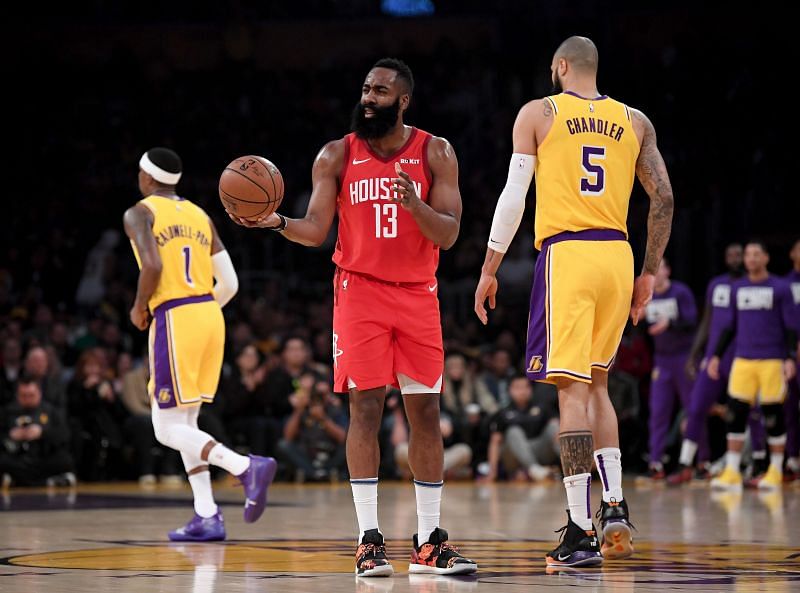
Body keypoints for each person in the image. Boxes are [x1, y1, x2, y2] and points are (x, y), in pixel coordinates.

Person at [232, 59, 476, 576]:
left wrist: (417, 207)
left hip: (417, 293)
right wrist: (273, 221)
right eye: (366, 88)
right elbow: (316, 229)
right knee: (365, 408)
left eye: (381, 91)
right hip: (359, 292)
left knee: (426, 413)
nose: (369, 97)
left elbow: (449, 234)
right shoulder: (336, 154)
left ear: (403, 100)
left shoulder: (436, 152)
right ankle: (368, 540)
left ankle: (429, 541)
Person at [474, 36, 673, 567]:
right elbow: (665, 198)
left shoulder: (539, 112)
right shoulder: (635, 121)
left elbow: (514, 196)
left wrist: (490, 268)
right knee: (599, 382)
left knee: (571, 393)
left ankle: (580, 532)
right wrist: (649, 273)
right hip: (618, 255)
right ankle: (614, 506)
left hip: (568, 253)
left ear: (560, 67)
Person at [124, 147, 276, 542]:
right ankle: (206, 514)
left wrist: (140, 307)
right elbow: (231, 284)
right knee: (186, 422)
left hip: (175, 314)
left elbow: (153, 266)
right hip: (210, 312)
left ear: (145, 176)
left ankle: (244, 467)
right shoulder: (199, 215)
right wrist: (203, 309)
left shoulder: (139, 212)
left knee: (164, 427)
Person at [708, 241, 797, 490]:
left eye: (757, 254)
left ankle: (776, 470)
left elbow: (791, 326)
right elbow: (730, 326)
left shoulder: (781, 288)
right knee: (735, 414)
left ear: (766, 258)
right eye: (748, 255)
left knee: (772, 415)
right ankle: (732, 471)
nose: (751, 259)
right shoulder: (738, 289)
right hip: (743, 359)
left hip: (771, 359)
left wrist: (790, 357)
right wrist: (716, 355)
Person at [668, 243, 743, 484]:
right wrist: (695, 353)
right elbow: (707, 321)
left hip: (742, 355)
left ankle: (754, 465)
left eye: (739, 254)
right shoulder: (716, 284)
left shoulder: (750, 288)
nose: (735, 258)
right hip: (713, 357)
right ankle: (685, 464)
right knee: (696, 407)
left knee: (746, 412)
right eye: (730, 253)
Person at [643, 258, 698, 479]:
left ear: (668, 270)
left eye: (659, 269)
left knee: (693, 409)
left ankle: (700, 461)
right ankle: (656, 463)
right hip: (661, 360)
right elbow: (642, 328)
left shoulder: (680, 292)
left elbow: (692, 321)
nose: (656, 274)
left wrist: (670, 323)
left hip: (683, 358)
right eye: (651, 271)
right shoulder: (647, 295)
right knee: (658, 412)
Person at [1, 376, 75, 487]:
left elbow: (64, 435)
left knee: (65, 460)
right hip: (17, 459)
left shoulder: (51, 411)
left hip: (43, 459)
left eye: (31, 395)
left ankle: (17, 482)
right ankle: (49, 482)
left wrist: (42, 433)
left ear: (39, 393)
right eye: (23, 396)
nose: (27, 399)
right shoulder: (7, 411)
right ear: (17, 395)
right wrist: (10, 435)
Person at [485, 375, 560, 482]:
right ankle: (534, 469)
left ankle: (570, 467)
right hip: (513, 457)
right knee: (513, 431)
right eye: (518, 388)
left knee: (555, 427)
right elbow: (495, 443)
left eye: (526, 387)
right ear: (510, 390)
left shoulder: (542, 407)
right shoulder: (503, 413)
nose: (522, 391)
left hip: (539, 451)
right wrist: (492, 473)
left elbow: (556, 427)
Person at [783, 239, 800, 481]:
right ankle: (792, 460)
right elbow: (784, 323)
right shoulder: (785, 285)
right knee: (789, 408)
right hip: (792, 353)